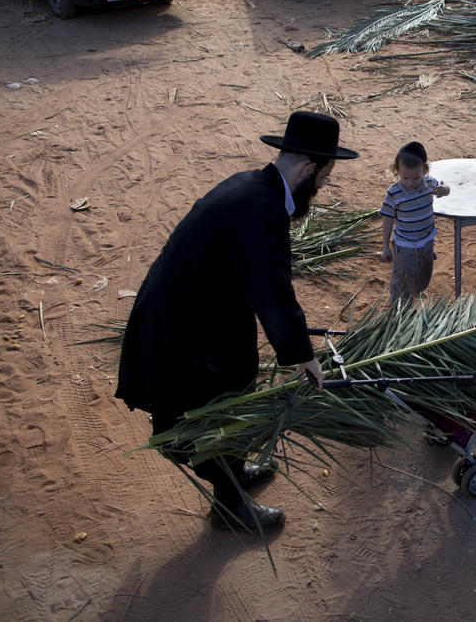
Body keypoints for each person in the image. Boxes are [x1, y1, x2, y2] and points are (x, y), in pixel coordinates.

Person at [115, 111, 359, 532]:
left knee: (231, 390)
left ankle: (231, 474)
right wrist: (303, 356)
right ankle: (230, 504)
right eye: (324, 177)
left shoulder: (251, 186)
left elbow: (253, 277)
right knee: (221, 409)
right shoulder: (262, 210)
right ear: (308, 168)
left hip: (197, 313)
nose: (322, 187)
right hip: (185, 328)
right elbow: (271, 288)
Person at [379, 141, 451, 306]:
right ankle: (399, 307)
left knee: (423, 274)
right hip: (404, 245)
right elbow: (388, 219)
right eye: (405, 178)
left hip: (426, 241)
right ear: (397, 171)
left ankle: (414, 294)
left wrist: (444, 190)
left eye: (416, 178)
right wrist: (384, 246)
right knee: (402, 278)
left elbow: (446, 188)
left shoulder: (429, 183)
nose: (411, 183)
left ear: (424, 171)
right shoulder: (394, 192)